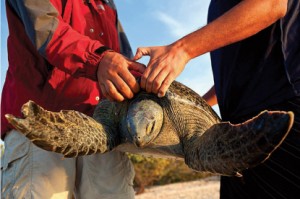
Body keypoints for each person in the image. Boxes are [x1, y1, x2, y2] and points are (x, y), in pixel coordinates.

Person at [133, 0, 300, 198]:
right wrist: (191, 108)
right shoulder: (217, 6)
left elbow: (272, 4)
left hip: (283, 106)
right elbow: (233, 73)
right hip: (234, 127)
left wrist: (181, 50)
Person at [1, 0, 145, 198]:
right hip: (40, 122)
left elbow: (123, 57)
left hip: (102, 128)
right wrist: (100, 59)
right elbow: (45, 27)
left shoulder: (107, 3)